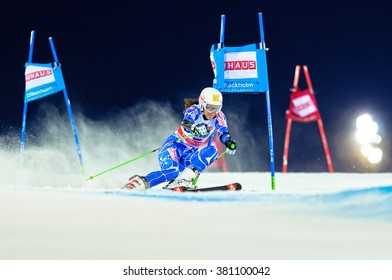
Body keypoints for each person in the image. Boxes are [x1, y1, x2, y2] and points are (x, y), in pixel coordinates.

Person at [123, 87, 237, 190]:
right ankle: (138, 183)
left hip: (189, 154)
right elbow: (186, 123)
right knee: (172, 172)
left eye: (217, 108)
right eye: (210, 107)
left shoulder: (219, 117)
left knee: (213, 151)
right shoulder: (194, 110)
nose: (213, 112)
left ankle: (183, 179)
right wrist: (195, 127)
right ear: (202, 104)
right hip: (174, 147)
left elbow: (223, 132)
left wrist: (229, 142)